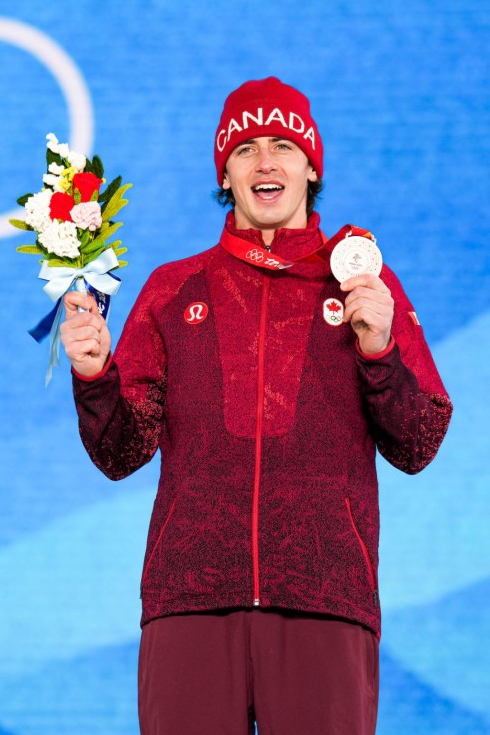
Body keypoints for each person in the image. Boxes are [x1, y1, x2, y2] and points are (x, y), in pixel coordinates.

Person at [60, 77, 452, 734]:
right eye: (244, 149)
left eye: (281, 146)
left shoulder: (363, 285)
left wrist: (378, 350)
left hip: (325, 599)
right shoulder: (171, 289)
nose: (264, 162)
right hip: (190, 600)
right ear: (224, 172)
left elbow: (417, 445)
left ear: (309, 166)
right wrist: (95, 374)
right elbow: (119, 454)